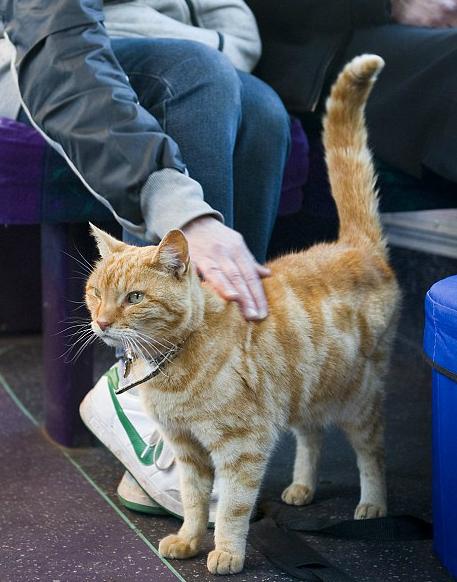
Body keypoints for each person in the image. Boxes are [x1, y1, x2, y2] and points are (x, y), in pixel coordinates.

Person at [0, 0, 291, 516]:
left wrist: (196, 43)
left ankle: (216, 384)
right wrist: (188, 217)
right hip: (39, 62)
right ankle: (146, 380)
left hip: (185, 53)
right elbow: (58, 46)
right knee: (195, 75)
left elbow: (233, 23)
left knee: (265, 110)